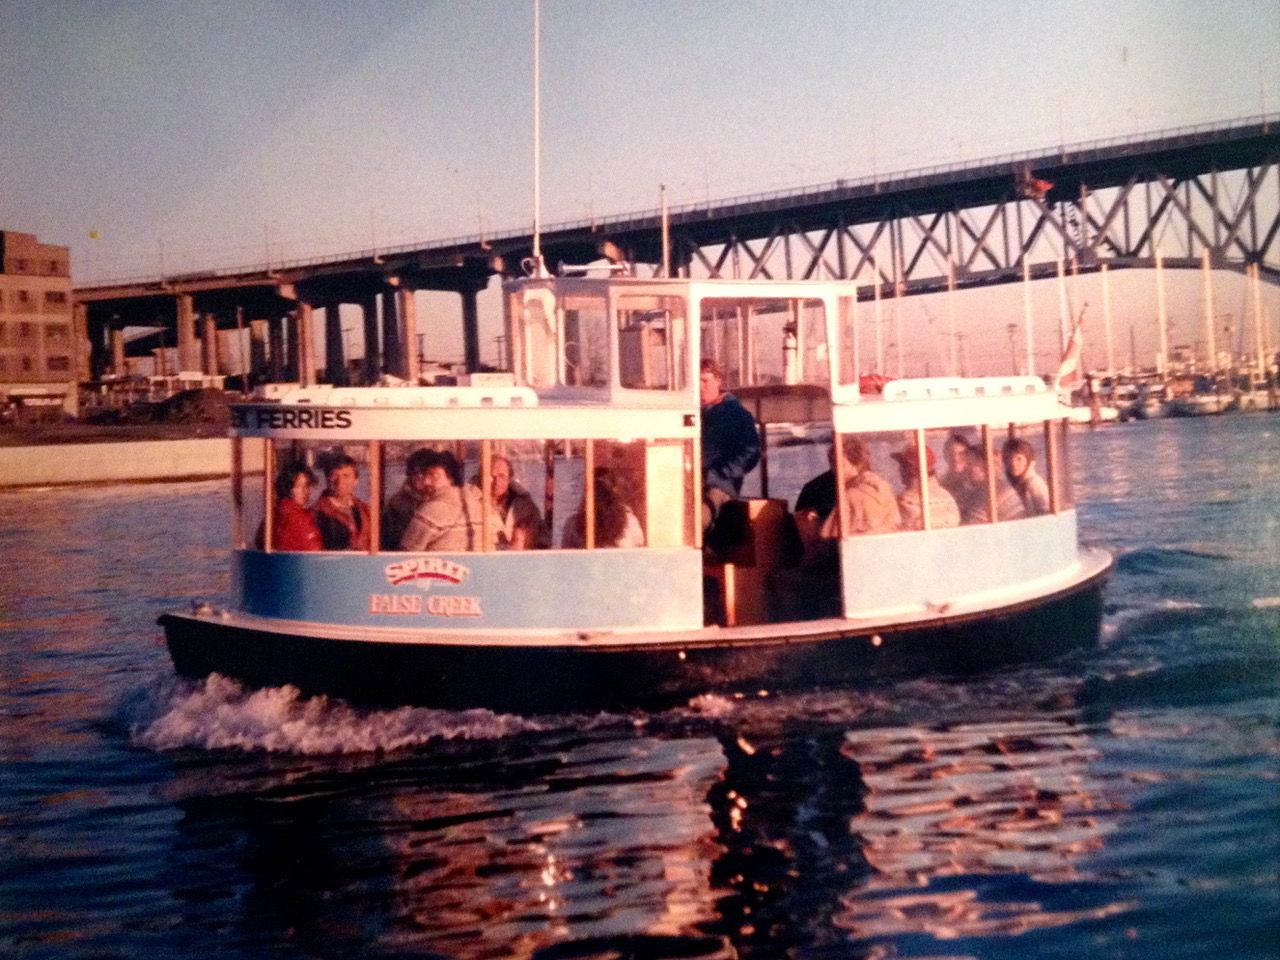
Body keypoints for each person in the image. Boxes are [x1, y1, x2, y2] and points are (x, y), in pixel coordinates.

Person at [699, 358, 760, 528]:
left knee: (696, 521)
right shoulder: (693, 414)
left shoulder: (736, 414)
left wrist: (719, 474)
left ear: (718, 380)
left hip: (719, 486)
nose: (700, 387)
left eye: (705, 381)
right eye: (696, 382)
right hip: (691, 482)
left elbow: (751, 452)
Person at [400, 449, 498, 552]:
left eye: (434, 476)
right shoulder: (481, 505)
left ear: (450, 477)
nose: (426, 482)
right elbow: (495, 542)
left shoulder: (431, 511)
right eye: (426, 475)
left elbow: (406, 553)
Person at [562, 467, 645, 549]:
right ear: (614, 491)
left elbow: (566, 557)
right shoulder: (630, 521)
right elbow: (639, 550)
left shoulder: (572, 524)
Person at [481, 455, 548, 550]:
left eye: (502, 476)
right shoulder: (474, 506)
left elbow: (544, 540)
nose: (496, 482)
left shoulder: (525, 505)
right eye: (491, 477)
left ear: (509, 479)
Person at [892, 443, 961, 530]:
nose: (899, 470)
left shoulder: (907, 500)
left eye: (902, 465)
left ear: (909, 469)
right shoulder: (947, 496)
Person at [258, 460, 323, 551]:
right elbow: (313, 551)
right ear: (287, 487)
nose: (304, 491)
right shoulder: (297, 518)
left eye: (307, 485)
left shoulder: (274, 514)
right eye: (298, 486)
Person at [315, 452, 372, 550]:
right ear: (326, 479)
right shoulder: (316, 514)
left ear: (356, 480)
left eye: (346, 475)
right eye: (335, 476)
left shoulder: (366, 510)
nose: (340, 481)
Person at [382, 448, 433, 550]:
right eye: (414, 472)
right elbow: (392, 541)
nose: (419, 476)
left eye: (424, 472)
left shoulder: (442, 500)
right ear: (409, 474)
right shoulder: (397, 504)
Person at [939, 434, 991, 525]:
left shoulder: (976, 482)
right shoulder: (941, 485)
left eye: (961, 454)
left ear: (968, 456)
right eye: (951, 453)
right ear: (945, 455)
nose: (955, 458)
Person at [1001, 437, 1051, 517]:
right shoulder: (1014, 483)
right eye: (1008, 458)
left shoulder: (1035, 484)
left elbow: (1047, 514)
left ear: (1028, 460)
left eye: (1019, 459)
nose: (1013, 463)